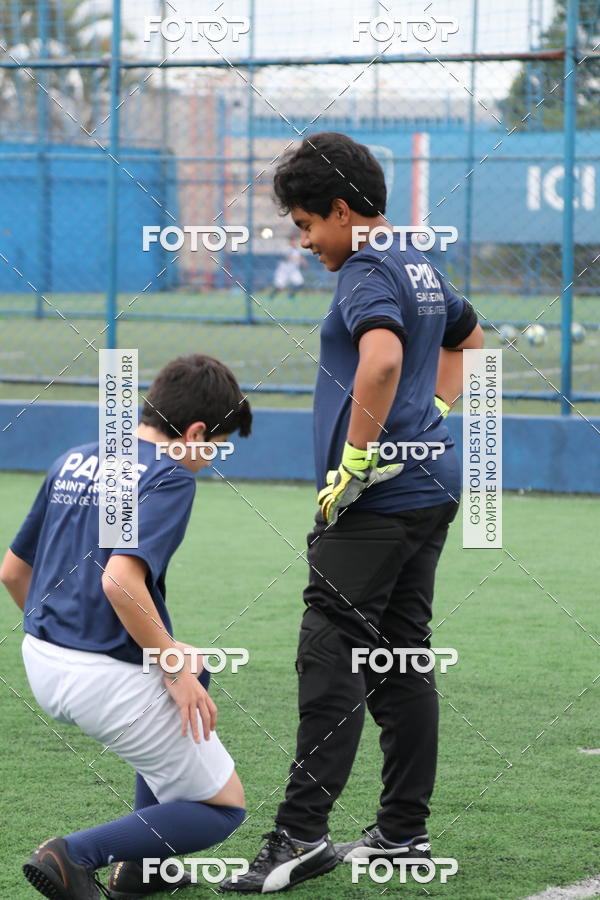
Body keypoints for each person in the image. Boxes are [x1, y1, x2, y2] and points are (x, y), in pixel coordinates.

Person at [221, 132, 484, 893]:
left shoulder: (367, 266)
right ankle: (404, 833)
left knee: (328, 649)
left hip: (379, 501)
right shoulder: (417, 261)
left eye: (306, 225)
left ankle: (301, 835)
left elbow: (382, 359)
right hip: (430, 488)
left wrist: (361, 459)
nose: (304, 243)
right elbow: (467, 338)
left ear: (341, 210)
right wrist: (428, 416)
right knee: (400, 656)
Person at [0, 353, 252, 900]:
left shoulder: (75, 458)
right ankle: (72, 856)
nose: (209, 460)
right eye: (214, 447)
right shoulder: (169, 476)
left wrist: (76, 641)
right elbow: (119, 583)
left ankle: (145, 869)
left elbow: (12, 571)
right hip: (98, 679)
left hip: (39, 657)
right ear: (195, 432)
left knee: (192, 662)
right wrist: (167, 665)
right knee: (223, 808)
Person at [269, 233, 306, 299]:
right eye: (293, 240)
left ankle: (291, 296)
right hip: (284, 271)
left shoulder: (296, 251)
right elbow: (285, 257)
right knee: (279, 286)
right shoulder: (287, 249)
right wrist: (298, 259)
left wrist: (302, 262)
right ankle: (271, 297)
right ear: (290, 241)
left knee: (300, 283)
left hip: (293, 271)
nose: (294, 242)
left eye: (295, 240)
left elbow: (299, 260)